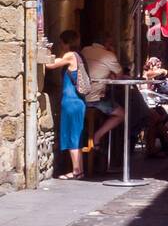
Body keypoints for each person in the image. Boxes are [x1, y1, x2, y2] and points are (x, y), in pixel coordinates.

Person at [46, 31, 87, 179]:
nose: (61, 46)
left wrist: (45, 51)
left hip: (71, 101)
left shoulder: (70, 56)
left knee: (71, 135)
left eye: (61, 43)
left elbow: (50, 65)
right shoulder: (79, 56)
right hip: (79, 102)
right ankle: (79, 170)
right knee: (77, 135)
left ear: (66, 43)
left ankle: (76, 170)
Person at [81, 35, 127, 159]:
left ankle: (89, 139)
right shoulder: (108, 55)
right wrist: (113, 53)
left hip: (80, 96)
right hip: (95, 99)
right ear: (107, 43)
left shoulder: (85, 50)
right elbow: (119, 76)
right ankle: (97, 136)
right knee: (121, 114)